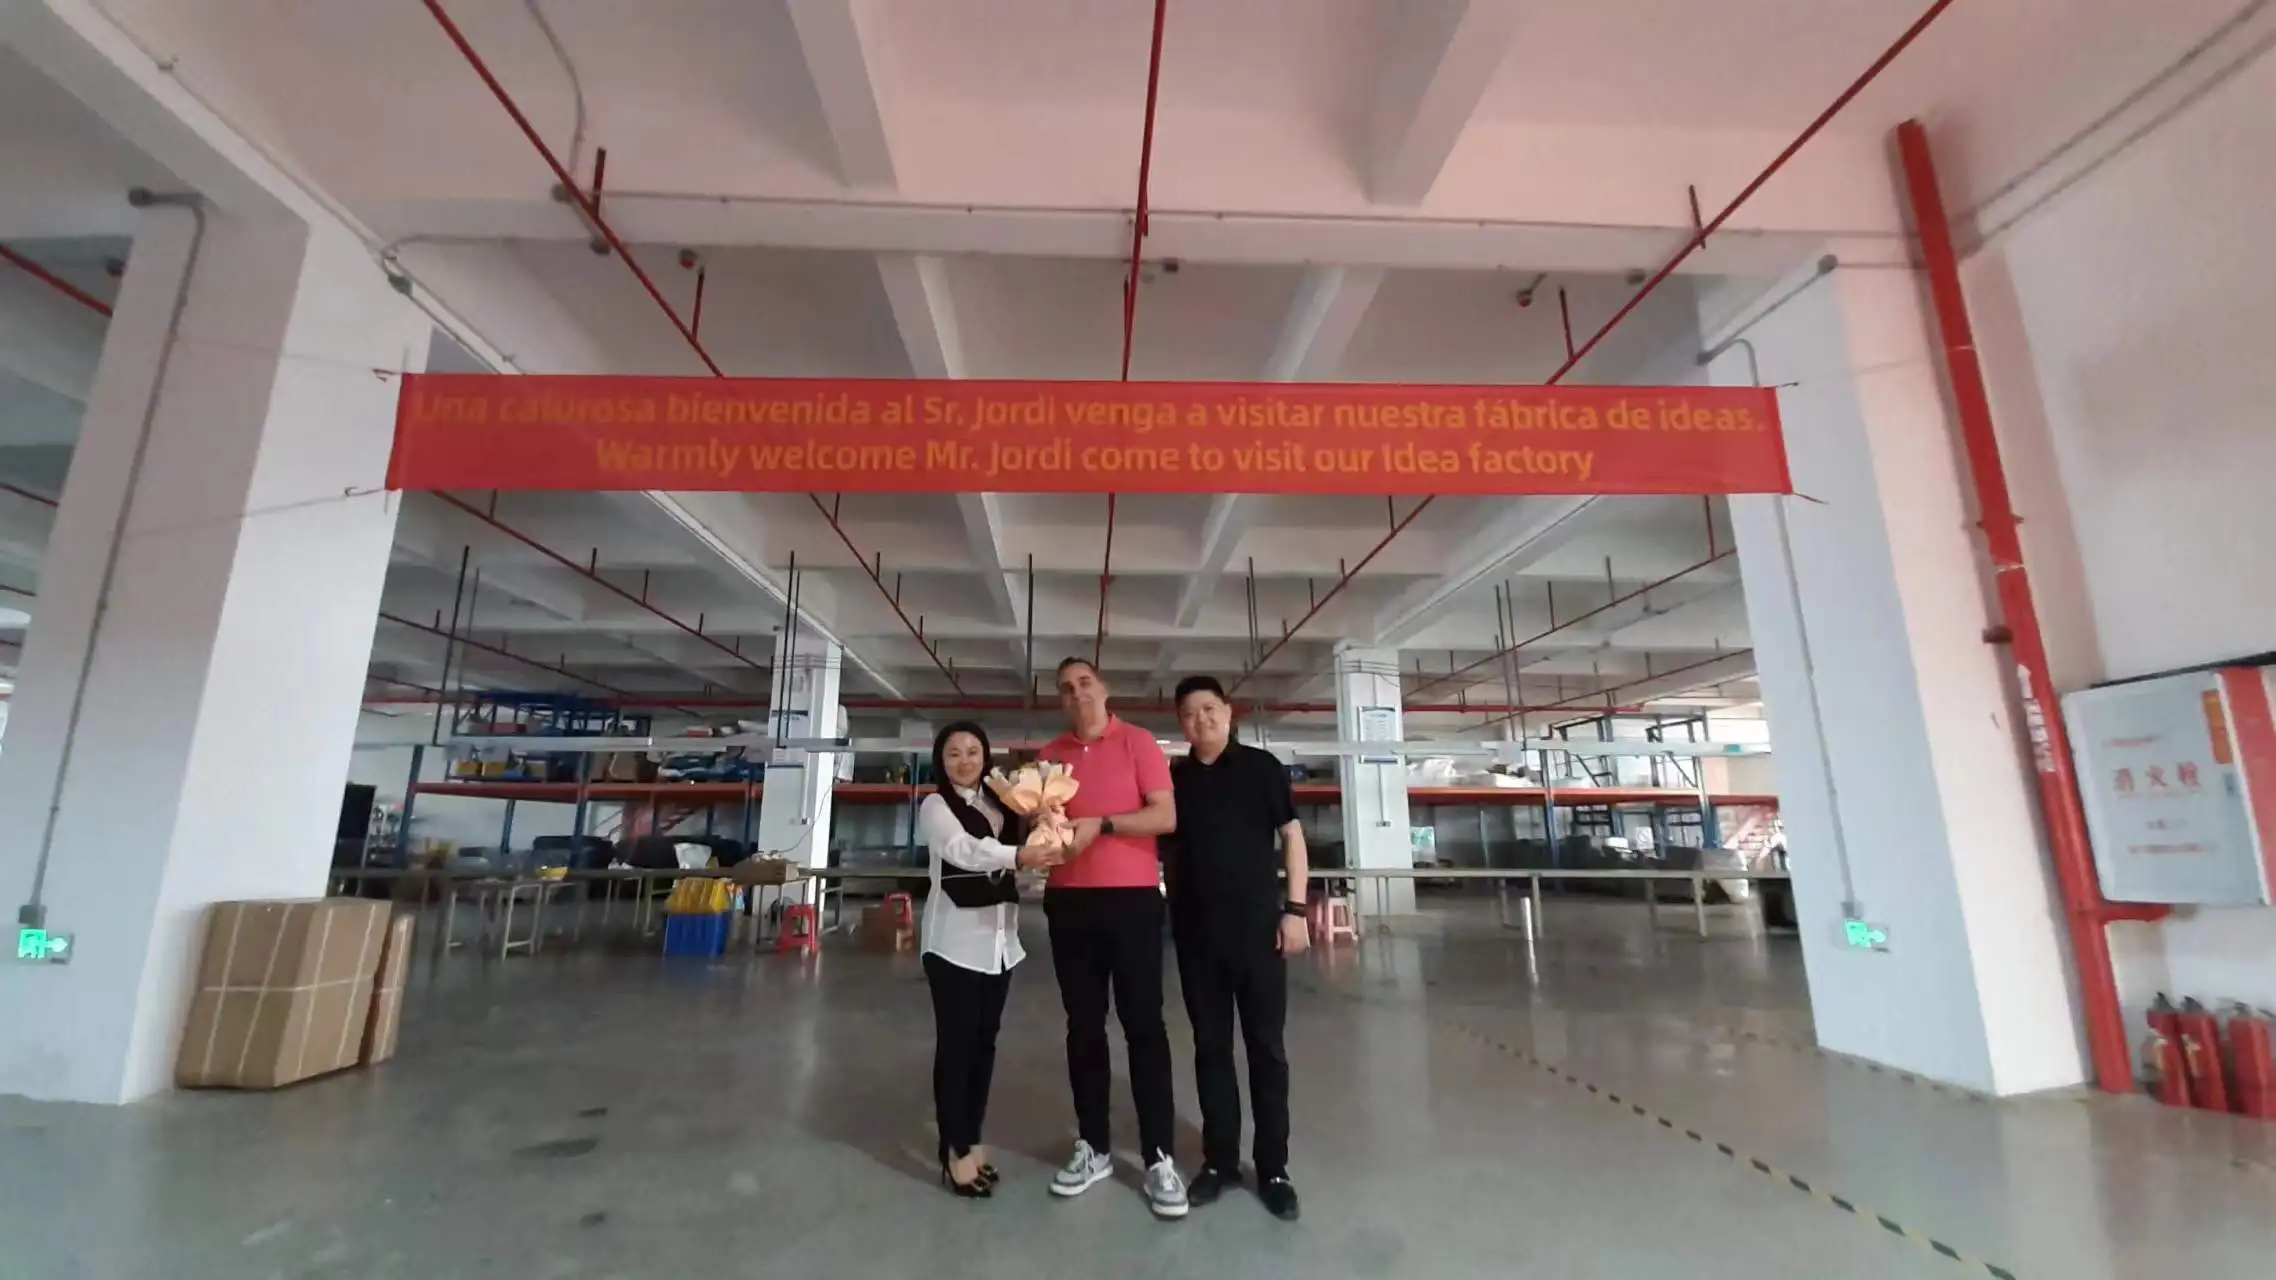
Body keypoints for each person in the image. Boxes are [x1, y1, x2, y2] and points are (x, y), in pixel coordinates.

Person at [1037, 657, 1186, 1218]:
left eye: (1085, 683)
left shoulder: (1138, 743)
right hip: (1069, 901)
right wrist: (1043, 825)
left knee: (1144, 1027)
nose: (1076, 693)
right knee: (1083, 1027)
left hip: (1133, 902)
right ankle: (1094, 1147)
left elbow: (1164, 816)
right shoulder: (1050, 755)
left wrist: (1100, 824)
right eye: (1065, 688)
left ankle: (1158, 1157)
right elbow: (1043, 823)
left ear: (1104, 688)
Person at [1165, 674, 1307, 1221]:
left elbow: (1292, 836)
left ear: (1228, 712)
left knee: (1266, 1050)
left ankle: (1273, 1168)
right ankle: (1220, 1161)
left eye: (1208, 709)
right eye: (1189, 713)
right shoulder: (1175, 780)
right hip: (1196, 937)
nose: (1200, 720)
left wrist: (1296, 910)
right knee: (1211, 1049)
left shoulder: (1261, 769)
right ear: (1181, 725)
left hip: (1258, 933)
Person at [917, 721, 1064, 1198]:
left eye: (973, 751)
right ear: (941, 761)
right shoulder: (936, 806)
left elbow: (1019, 851)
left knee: (983, 1047)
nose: (965, 761)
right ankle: (954, 1150)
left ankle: (972, 1138)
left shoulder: (1002, 803)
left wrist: (1046, 823)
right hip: (954, 944)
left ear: (985, 757)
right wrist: (1020, 856)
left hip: (999, 944)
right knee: (957, 1048)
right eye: (954, 753)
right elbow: (964, 851)